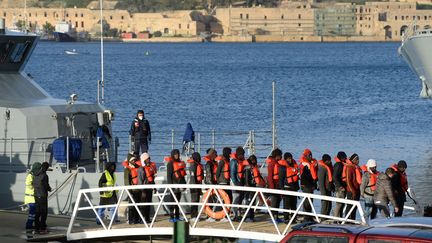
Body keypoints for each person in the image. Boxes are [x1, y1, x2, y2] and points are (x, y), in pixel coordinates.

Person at [278, 152, 300, 224]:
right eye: (288, 158)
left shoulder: (294, 166)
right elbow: (281, 180)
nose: (290, 160)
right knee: (286, 205)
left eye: (291, 158)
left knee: (294, 204)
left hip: (294, 188)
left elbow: (296, 178)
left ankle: (293, 218)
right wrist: (282, 191)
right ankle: (286, 219)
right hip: (286, 188)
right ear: (285, 159)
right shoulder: (282, 168)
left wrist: (297, 187)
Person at [166, 149, 186, 222]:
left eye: (178, 154)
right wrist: (170, 186)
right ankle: (171, 217)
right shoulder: (170, 164)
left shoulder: (180, 163)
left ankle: (177, 216)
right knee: (172, 201)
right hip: (173, 185)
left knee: (178, 201)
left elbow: (182, 175)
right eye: (175, 154)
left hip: (179, 185)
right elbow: (169, 175)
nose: (177, 155)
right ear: (172, 155)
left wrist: (184, 184)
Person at [123, 153, 142, 224]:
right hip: (132, 190)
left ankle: (137, 219)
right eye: (132, 160)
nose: (134, 161)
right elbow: (126, 181)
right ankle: (131, 220)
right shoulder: (127, 170)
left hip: (138, 190)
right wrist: (129, 191)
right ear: (129, 161)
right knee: (131, 206)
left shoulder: (138, 167)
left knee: (138, 205)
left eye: (134, 159)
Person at [299, 149, 318, 222]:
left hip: (309, 186)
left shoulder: (310, 164)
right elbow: (305, 177)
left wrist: (314, 184)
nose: (311, 156)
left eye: (311, 155)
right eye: (309, 155)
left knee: (310, 201)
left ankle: (309, 217)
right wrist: (311, 185)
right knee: (307, 202)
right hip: (306, 186)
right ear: (305, 156)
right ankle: (306, 218)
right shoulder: (305, 165)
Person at [33, 162, 51, 234]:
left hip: (36, 195)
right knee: (44, 212)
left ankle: (37, 227)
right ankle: (43, 228)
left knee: (37, 212)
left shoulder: (36, 174)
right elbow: (46, 185)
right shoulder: (45, 175)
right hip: (43, 196)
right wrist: (49, 189)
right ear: (46, 168)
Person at [344, 153, 363, 220]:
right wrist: (353, 191)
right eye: (356, 159)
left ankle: (353, 220)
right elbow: (348, 181)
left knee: (355, 207)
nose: (358, 161)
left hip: (357, 190)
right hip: (351, 191)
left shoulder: (356, 168)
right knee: (349, 207)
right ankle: (347, 221)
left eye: (358, 159)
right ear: (353, 160)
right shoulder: (349, 168)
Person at [266, 148, 283, 223]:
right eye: (280, 156)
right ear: (277, 156)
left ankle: (276, 216)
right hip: (274, 186)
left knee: (278, 201)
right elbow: (270, 177)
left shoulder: (278, 163)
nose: (281, 157)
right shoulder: (271, 164)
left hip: (278, 186)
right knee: (274, 202)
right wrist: (272, 188)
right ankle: (273, 217)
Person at [243, 155, 261, 222]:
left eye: (255, 160)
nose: (255, 161)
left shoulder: (253, 168)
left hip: (253, 186)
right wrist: (248, 188)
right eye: (253, 160)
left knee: (253, 202)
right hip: (250, 188)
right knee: (249, 202)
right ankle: (249, 217)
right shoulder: (248, 168)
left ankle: (252, 216)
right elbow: (247, 180)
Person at [230, 147, 246, 221]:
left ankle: (239, 214)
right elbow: (233, 173)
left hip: (241, 182)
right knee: (235, 198)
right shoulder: (234, 162)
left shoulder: (241, 161)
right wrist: (236, 183)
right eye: (243, 154)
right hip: (235, 183)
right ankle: (235, 215)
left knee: (240, 198)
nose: (243, 156)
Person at [140, 152, 157, 223]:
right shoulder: (141, 169)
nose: (149, 161)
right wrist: (142, 190)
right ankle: (142, 218)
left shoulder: (151, 168)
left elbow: (152, 179)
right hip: (144, 189)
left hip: (150, 189)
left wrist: (154, 187)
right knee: (143, 204)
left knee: (148, 203)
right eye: (147, 159)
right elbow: (140, 180)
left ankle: (147, 218)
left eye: (149, 159)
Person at [24, 162, 41, 233]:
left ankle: (30, 224)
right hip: (30, 197)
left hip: (33, 197)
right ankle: (28, 225)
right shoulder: (30, 175)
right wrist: (34, 187)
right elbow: (28, 184)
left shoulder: (33, 175)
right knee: (32, 213)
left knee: (33, 212)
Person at [188, 152, 204, 220]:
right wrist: (194, 186)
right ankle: (193, 216)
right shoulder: (193, 166)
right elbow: (192, 177)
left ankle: (196, 215)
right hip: (194, 186)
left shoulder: (197, 165)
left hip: (198, 185)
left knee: (196, 201)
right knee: (194, 200)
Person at [333, 151, 348, 218]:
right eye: (344, 157)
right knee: (339, 204)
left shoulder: (341, 164)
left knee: (342, 204)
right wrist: (340, 186)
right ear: (341, 158)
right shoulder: (338, 165)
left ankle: (340, 218)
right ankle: (336, 218)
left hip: (342, 187)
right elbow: (335, 177)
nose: (346, 158)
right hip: (339, 189)